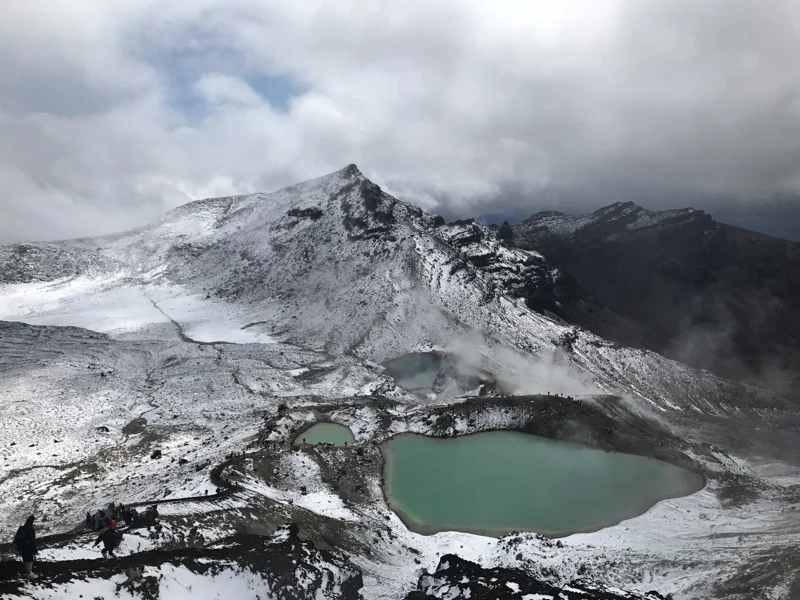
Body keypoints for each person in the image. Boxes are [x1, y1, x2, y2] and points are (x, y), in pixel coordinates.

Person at [13, 515, 38, 580]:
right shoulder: (30, 528)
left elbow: (17, 538)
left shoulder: (22, 528)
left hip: (22, 547)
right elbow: (32, 540)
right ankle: (29, 574)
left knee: (25, 559)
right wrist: (34, 549)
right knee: (30, 560)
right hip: (28, 548)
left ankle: (27, 572)